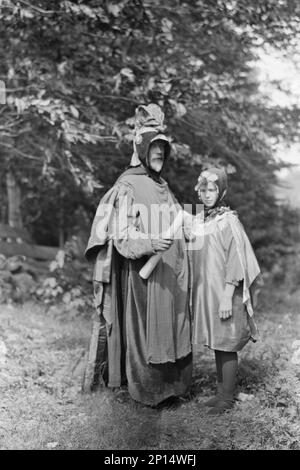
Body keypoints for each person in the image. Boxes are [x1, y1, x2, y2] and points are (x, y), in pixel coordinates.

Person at [84, 104, 192, 406]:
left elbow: (177, 222)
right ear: (142, 148)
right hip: (141, 276)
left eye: (163, 148)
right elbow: (122, 234)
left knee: (172, 327)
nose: (159, 153)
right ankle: (148, 390)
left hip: (169, 274)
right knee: (146, 332)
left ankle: (174, 387)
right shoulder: (127, 185)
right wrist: (149, 243)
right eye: (154, 147)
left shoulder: (163, 186)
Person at [189, 167, 261, 415]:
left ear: (222, 191)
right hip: (209, 291)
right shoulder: (202, 220)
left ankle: (227, 398)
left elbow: (235, 260)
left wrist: (227, 296)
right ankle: (222, 393)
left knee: (227, 343)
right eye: (204, 190)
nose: (207, 194)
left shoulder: (227, 221)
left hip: (226, 292)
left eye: (213, 190)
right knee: (219, 343)